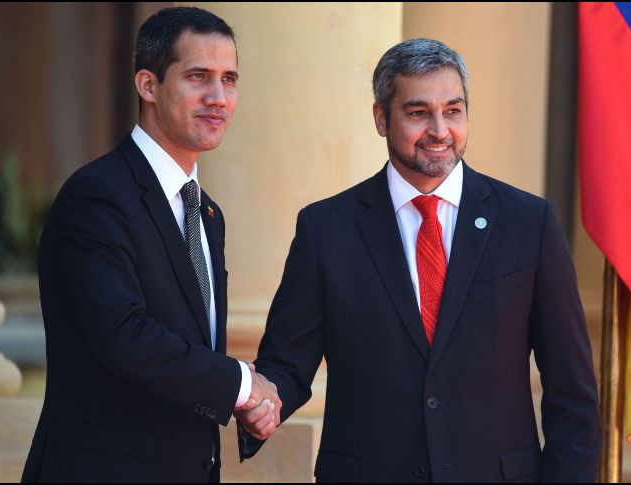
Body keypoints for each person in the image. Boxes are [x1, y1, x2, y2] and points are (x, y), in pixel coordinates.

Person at [237, 38, 601, 482]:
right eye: (418, 112)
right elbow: (287, 363)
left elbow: (571, 390)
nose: (440, 130)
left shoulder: (529, 223)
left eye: (453, 110)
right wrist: (261, 402)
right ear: (381, 118)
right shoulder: (325, 229)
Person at [22, 7, 279, 483]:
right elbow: (123, 335)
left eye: (229, 79)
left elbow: (191, 347)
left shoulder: (208, 213)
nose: (218, 97)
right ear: (148, 85)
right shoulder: (97, 195)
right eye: (198, 77)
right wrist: (241, 385)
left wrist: (239, 400)